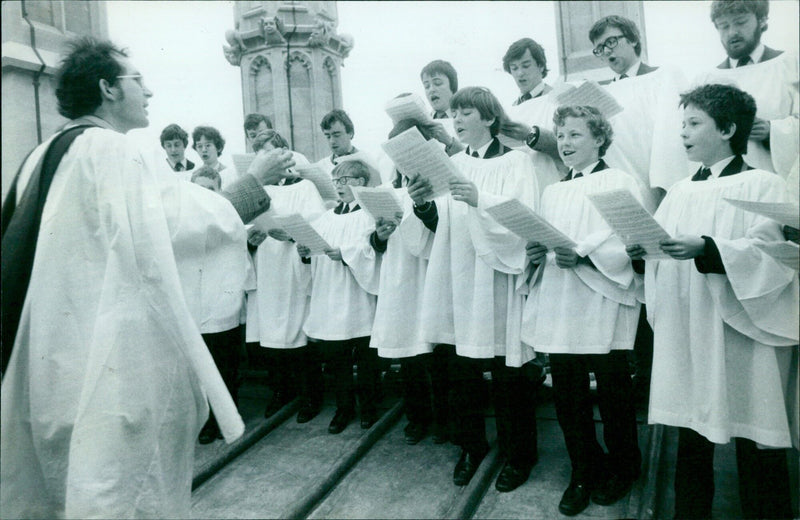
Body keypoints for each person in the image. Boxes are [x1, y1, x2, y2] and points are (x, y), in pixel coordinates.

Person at [0, 37, 295, 518]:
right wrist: (255, 180)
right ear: (107, 89)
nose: (149, 91)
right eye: (138, 80)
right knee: (119, 487)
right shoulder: (112, 150)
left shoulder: (41, 154)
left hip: (48, 355)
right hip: (107, 358)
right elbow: (176, 222)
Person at [628, 84, 798, 519]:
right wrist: (643, 254)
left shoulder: (764, 184)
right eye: (681, 123)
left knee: (754, 435)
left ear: (727, 128)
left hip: (743, 332)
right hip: (690, 328)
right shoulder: (680, 191)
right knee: (692, 432)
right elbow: (662, 252)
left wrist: (708, 247)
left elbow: (775, 259)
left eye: (693, 123)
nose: (682, 132)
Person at [402, 87, 540, 492]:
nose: (457, 119)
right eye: (455, 113)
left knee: (507, 373)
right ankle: (471, 446)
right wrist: (424, 205)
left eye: (466, 112)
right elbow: (440, 227)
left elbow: (524, 218)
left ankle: (520, 455)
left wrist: (481, 198)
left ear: (490, 118)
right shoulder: (451, 164)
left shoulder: (517, 162)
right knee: (460, 369)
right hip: (458, 277)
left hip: (497, 278)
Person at [521, 105, 642, 516]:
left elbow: (629, 239)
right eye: (562, 135)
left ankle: (624, 465)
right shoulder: (553, 190)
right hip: (560, 299)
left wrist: (586, 257)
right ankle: (583, 468)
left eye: (575, 135)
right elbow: (545, 239)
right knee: (568, 394)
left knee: (613, 393)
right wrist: (535, 252)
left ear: (599, 138)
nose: (566, 143)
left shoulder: (620, 181)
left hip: (603, 297)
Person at [369, 119, 450, 445]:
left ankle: (446, 419)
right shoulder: (388, 190)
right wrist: (379, 235)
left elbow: (442, 228)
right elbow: (373, 241)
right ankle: (417, 416)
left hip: (429, 275)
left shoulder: (439, 185)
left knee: (437, 354)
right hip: (399, 277)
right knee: (408, 355)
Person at [245, 130, 329, 423]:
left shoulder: (305, 187)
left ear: (284, 154)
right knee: (270, 333)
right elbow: (244, 225)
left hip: (294, 268)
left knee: (298, 333)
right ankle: (281, 391)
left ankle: (310, 395)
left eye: (268, 153)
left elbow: (318, 228)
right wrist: (251, 239)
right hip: (268, 267)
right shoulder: (259, 191)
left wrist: (292, 234)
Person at [299, 159, 383, 434]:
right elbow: (315, 252)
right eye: (337, 181)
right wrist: (305, 254)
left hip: (358, 297)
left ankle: (369, 408)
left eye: (346, 180)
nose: (340, 186)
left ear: (362, 183)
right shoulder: (326, 217)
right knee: (337, 360)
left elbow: (373, 250)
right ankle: (343, 408)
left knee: (365, 360)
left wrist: (345, 255)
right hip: (330, 297)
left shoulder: (370, 215)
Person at [696, 0, 798, 180]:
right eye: (723, 26)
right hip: (725, 189)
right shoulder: (707, 80)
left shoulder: (790, 65)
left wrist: (772, 131)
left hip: (778, 187)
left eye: (740, 22)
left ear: (761, 20)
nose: (732, 32)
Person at [498, 38, 565, 191]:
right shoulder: (510, 111)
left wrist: (531, 135)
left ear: (540, 66)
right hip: (521, 187)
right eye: (514, 68)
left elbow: (568, 147)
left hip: (553, 183)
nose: (520, 73)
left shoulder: (557, 100)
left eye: (526, 66)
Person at [589, 15, 658, 84]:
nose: (606, 51)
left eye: (611, 42)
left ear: (632, 40)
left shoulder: (660, 77)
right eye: (600, 49)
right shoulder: (607, 90)